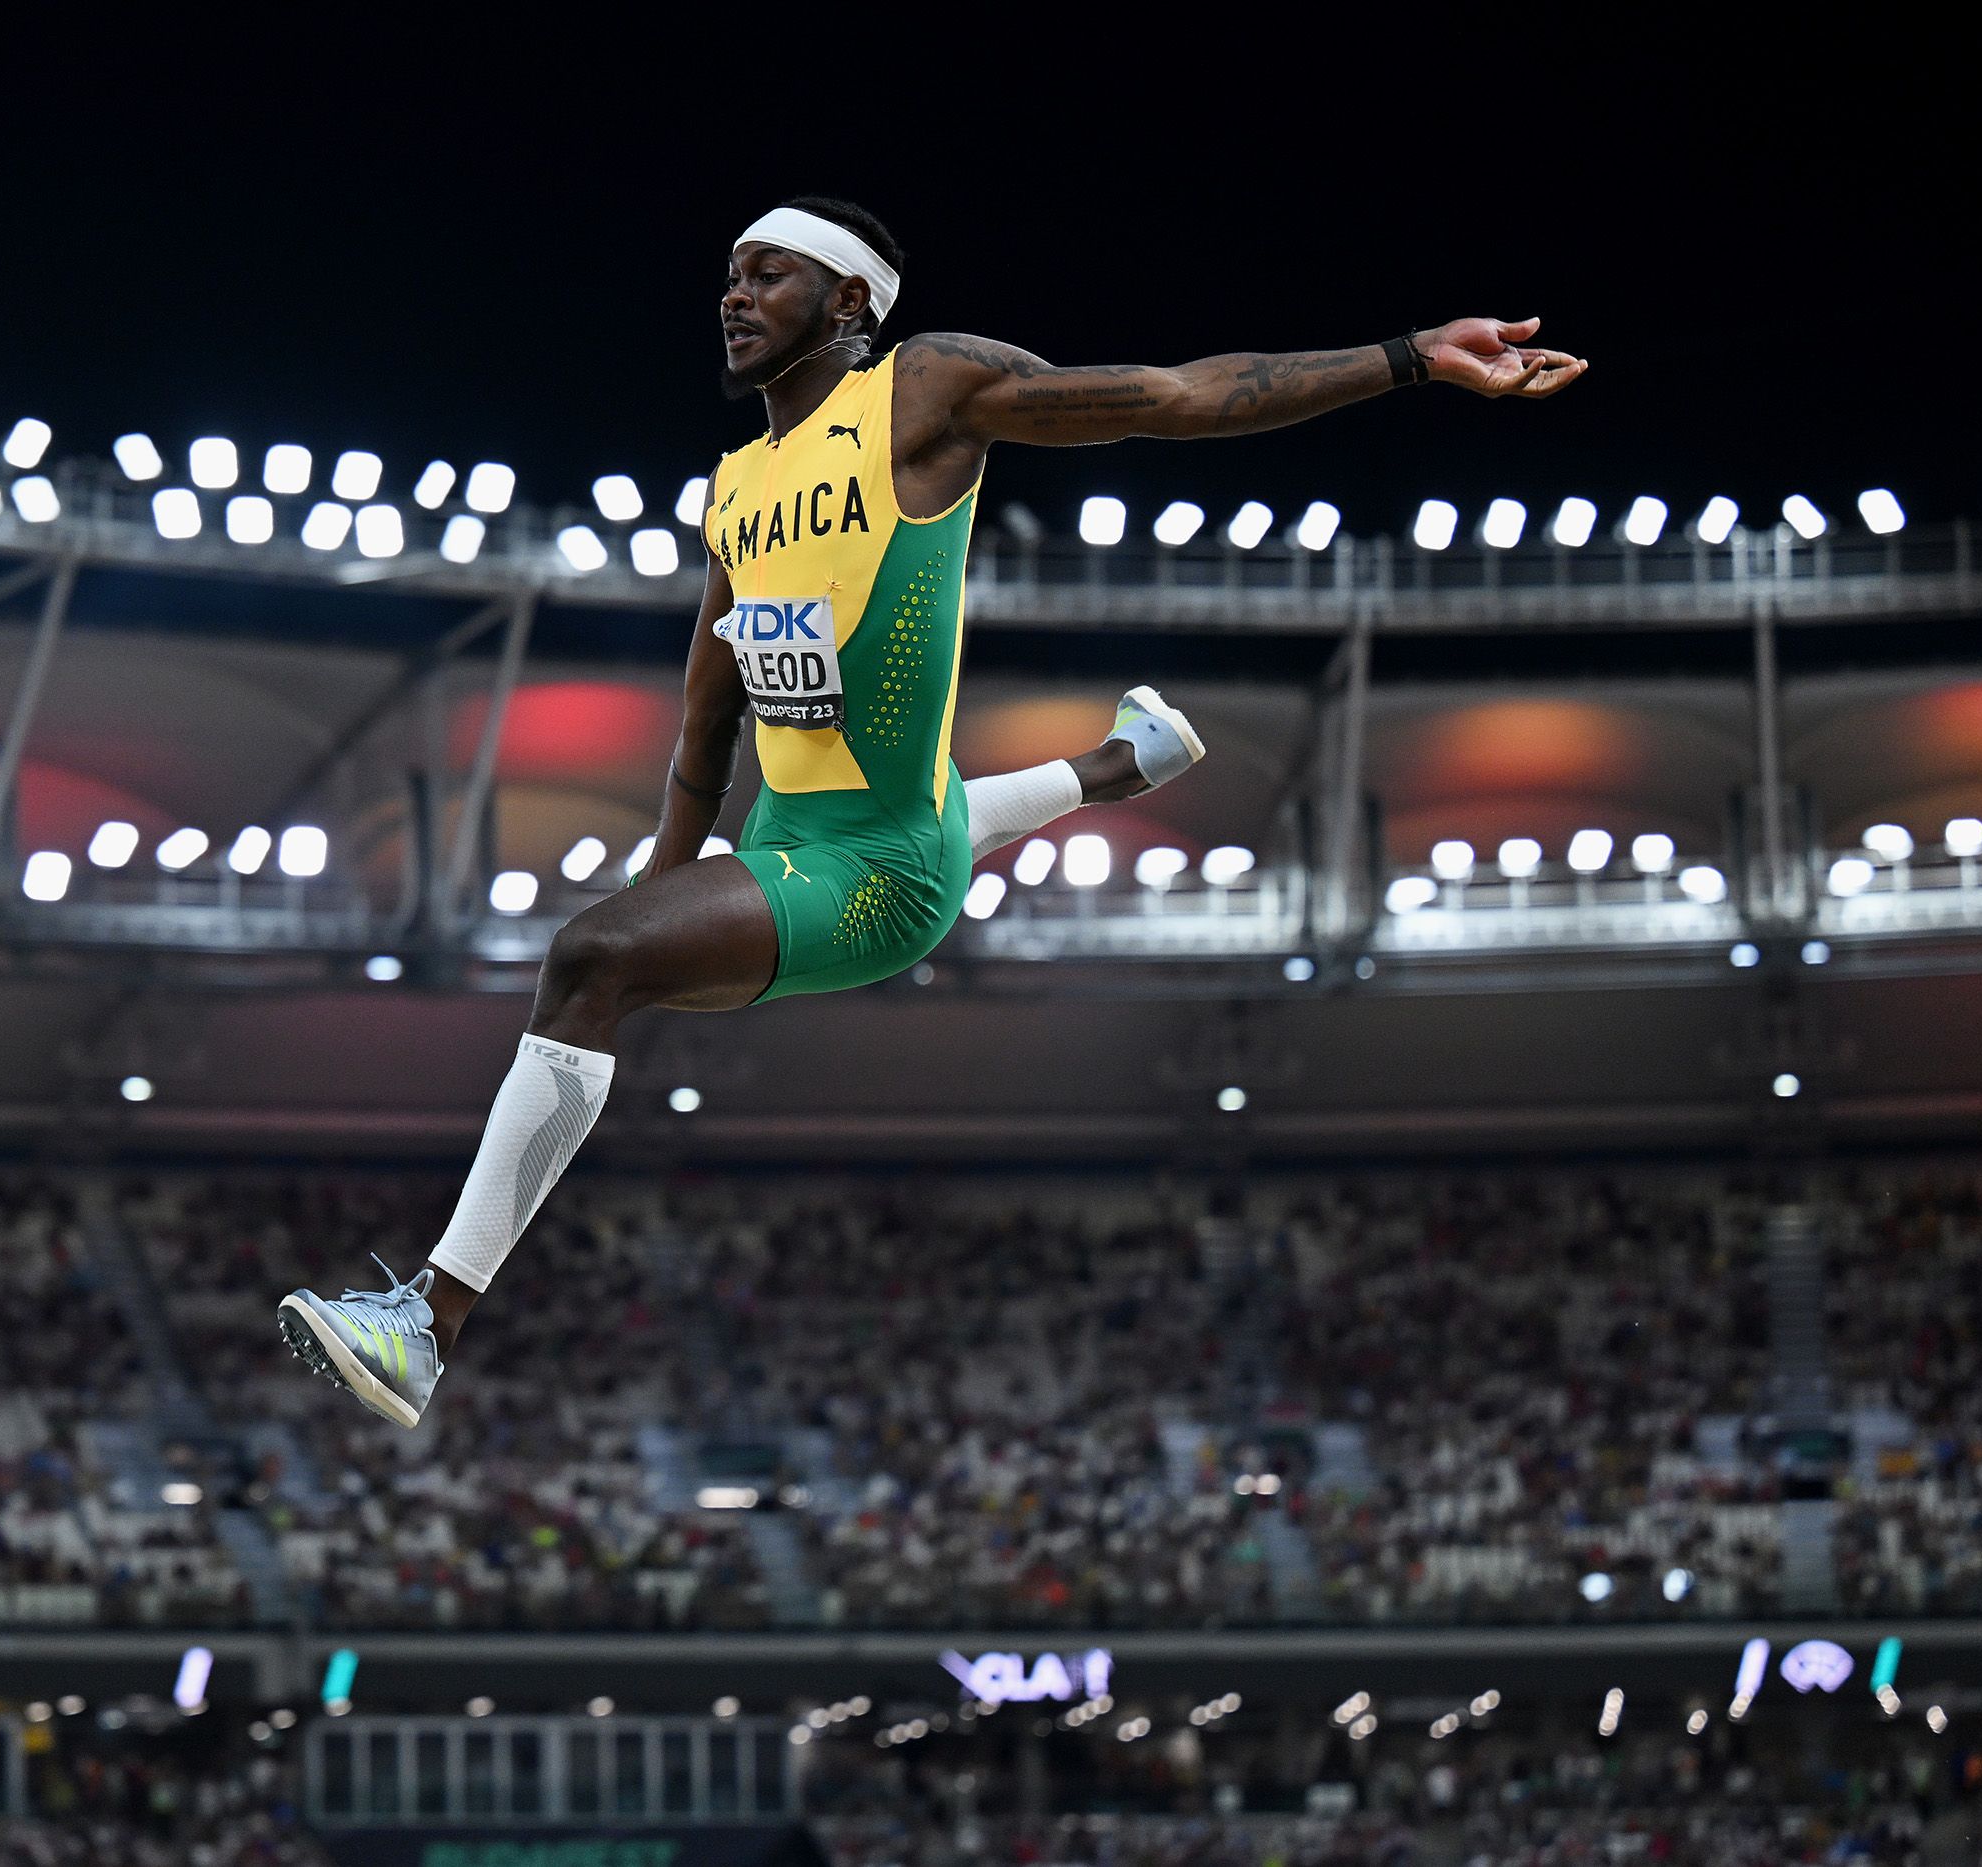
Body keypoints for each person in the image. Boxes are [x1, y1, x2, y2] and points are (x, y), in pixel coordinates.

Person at [281, 197, 1585, 1425]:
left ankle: (427, 1328)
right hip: (815, 829)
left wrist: (1413, 356)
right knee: (663, 914)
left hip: (880, 873)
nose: (733, 295)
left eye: (766, 272)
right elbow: (711, 715)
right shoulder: (735, 488)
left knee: (591, 958)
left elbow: (1177, 398)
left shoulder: (920, 393)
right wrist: (658, 887)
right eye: (727, 274)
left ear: (850, 295)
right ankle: (1130, 756)